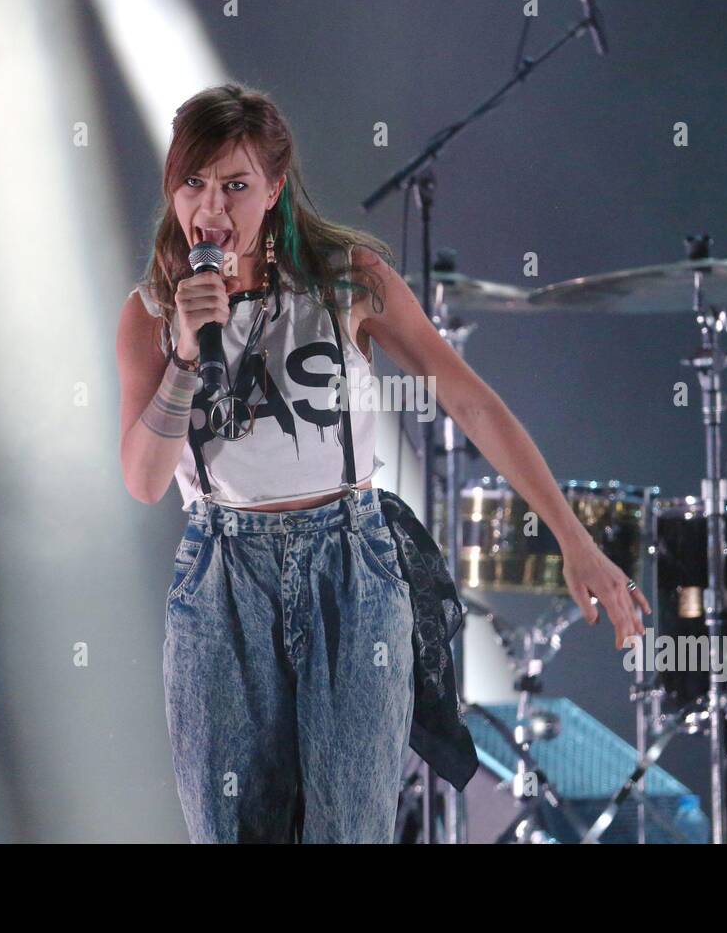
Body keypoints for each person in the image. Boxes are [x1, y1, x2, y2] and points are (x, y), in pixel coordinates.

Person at [115, 83, 648, 843]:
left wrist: (576, 539)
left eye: (235, 185)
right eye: (193, 183)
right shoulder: (152, 313)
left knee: (351, 827)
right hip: (222, 574)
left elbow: (473, 404)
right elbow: (141, 480)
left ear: (273, 188)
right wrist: (182, 360)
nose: (212, 208)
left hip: (350, 562)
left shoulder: (345, 280)